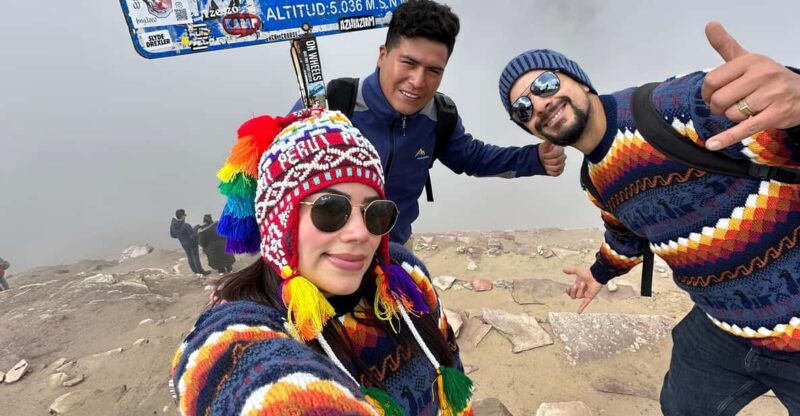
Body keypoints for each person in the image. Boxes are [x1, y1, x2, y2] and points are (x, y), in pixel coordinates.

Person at [497, 22, 800, 415]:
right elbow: (625, 233)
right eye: (523, 109)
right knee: (679, 406)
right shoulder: (596, 180)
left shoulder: (672, 107)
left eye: (545, 84)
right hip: (722, 324)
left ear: (580, 81)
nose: (539, 105)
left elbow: (776, 117)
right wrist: (599, 273)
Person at [170, 109, 473, 416]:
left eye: (375, 213)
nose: (360, 233)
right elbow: (229, 372)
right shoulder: (238, 326)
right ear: (279, 223)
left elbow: (450, 361)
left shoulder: (404, 275)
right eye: (330, 210)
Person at [293, 0, 566, 245]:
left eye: (434, 70)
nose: (418, 81)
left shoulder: (438, 117)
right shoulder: (330, 105)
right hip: (326, 251)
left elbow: (473, 158)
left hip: (394, 251)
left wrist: (535, 159)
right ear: (383, 55)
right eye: (408, 63)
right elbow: (276, 172)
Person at [170, 209, 210, 276]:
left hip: (183, 243)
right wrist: (197, 231)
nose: (185, 217)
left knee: (190, 257)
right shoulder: (186, 225)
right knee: (195, 257)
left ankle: (195, 271)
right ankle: (200, 271)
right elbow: (193, 236)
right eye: (184, 215)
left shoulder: (173, 226)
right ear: (182, 216)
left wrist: (181, 236)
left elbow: (173, 235)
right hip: (192, 243)